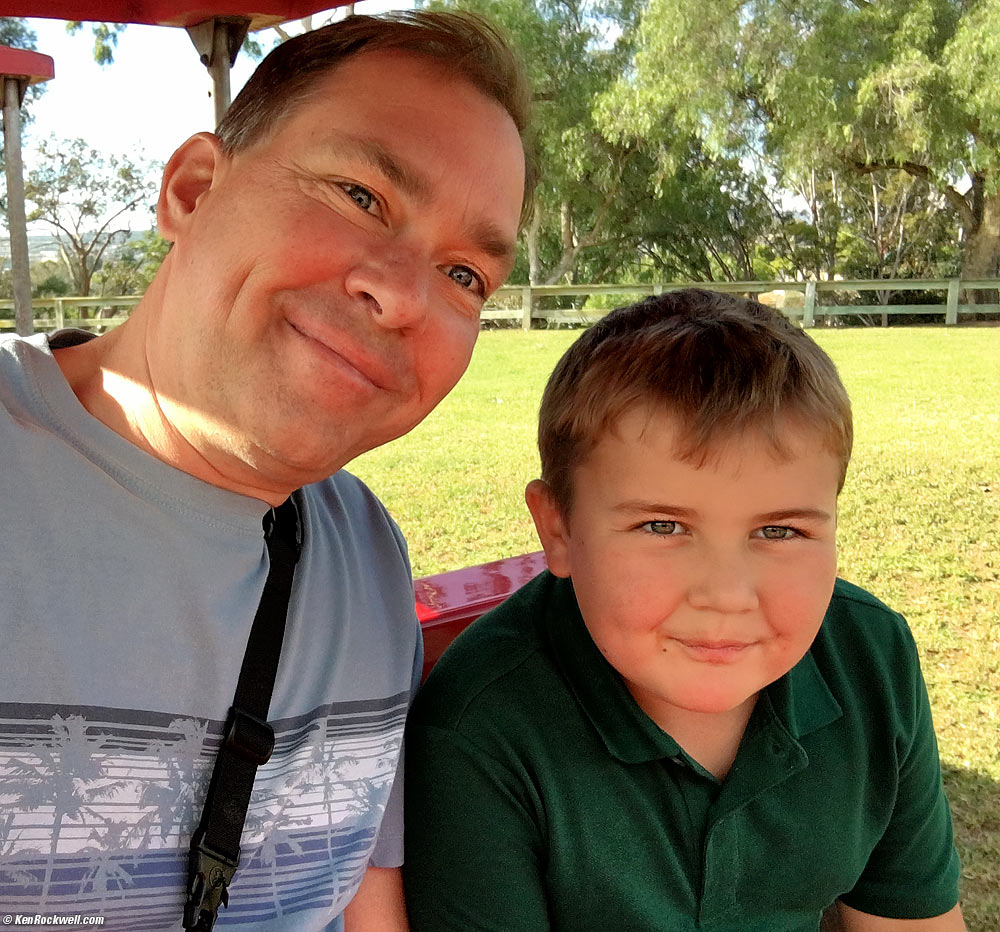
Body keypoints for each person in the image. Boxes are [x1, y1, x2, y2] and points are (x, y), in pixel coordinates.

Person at [0, 11, 531, 930]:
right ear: (194, 190)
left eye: (464, 275)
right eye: (362, 195)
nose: (403, 295)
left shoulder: (362, 554)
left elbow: (365, 900)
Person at [403, 289, 965, 931]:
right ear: (557, 529)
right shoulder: (481, 730)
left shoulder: (872, 659)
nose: (726, 595)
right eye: (663, 527)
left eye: (779, 532)